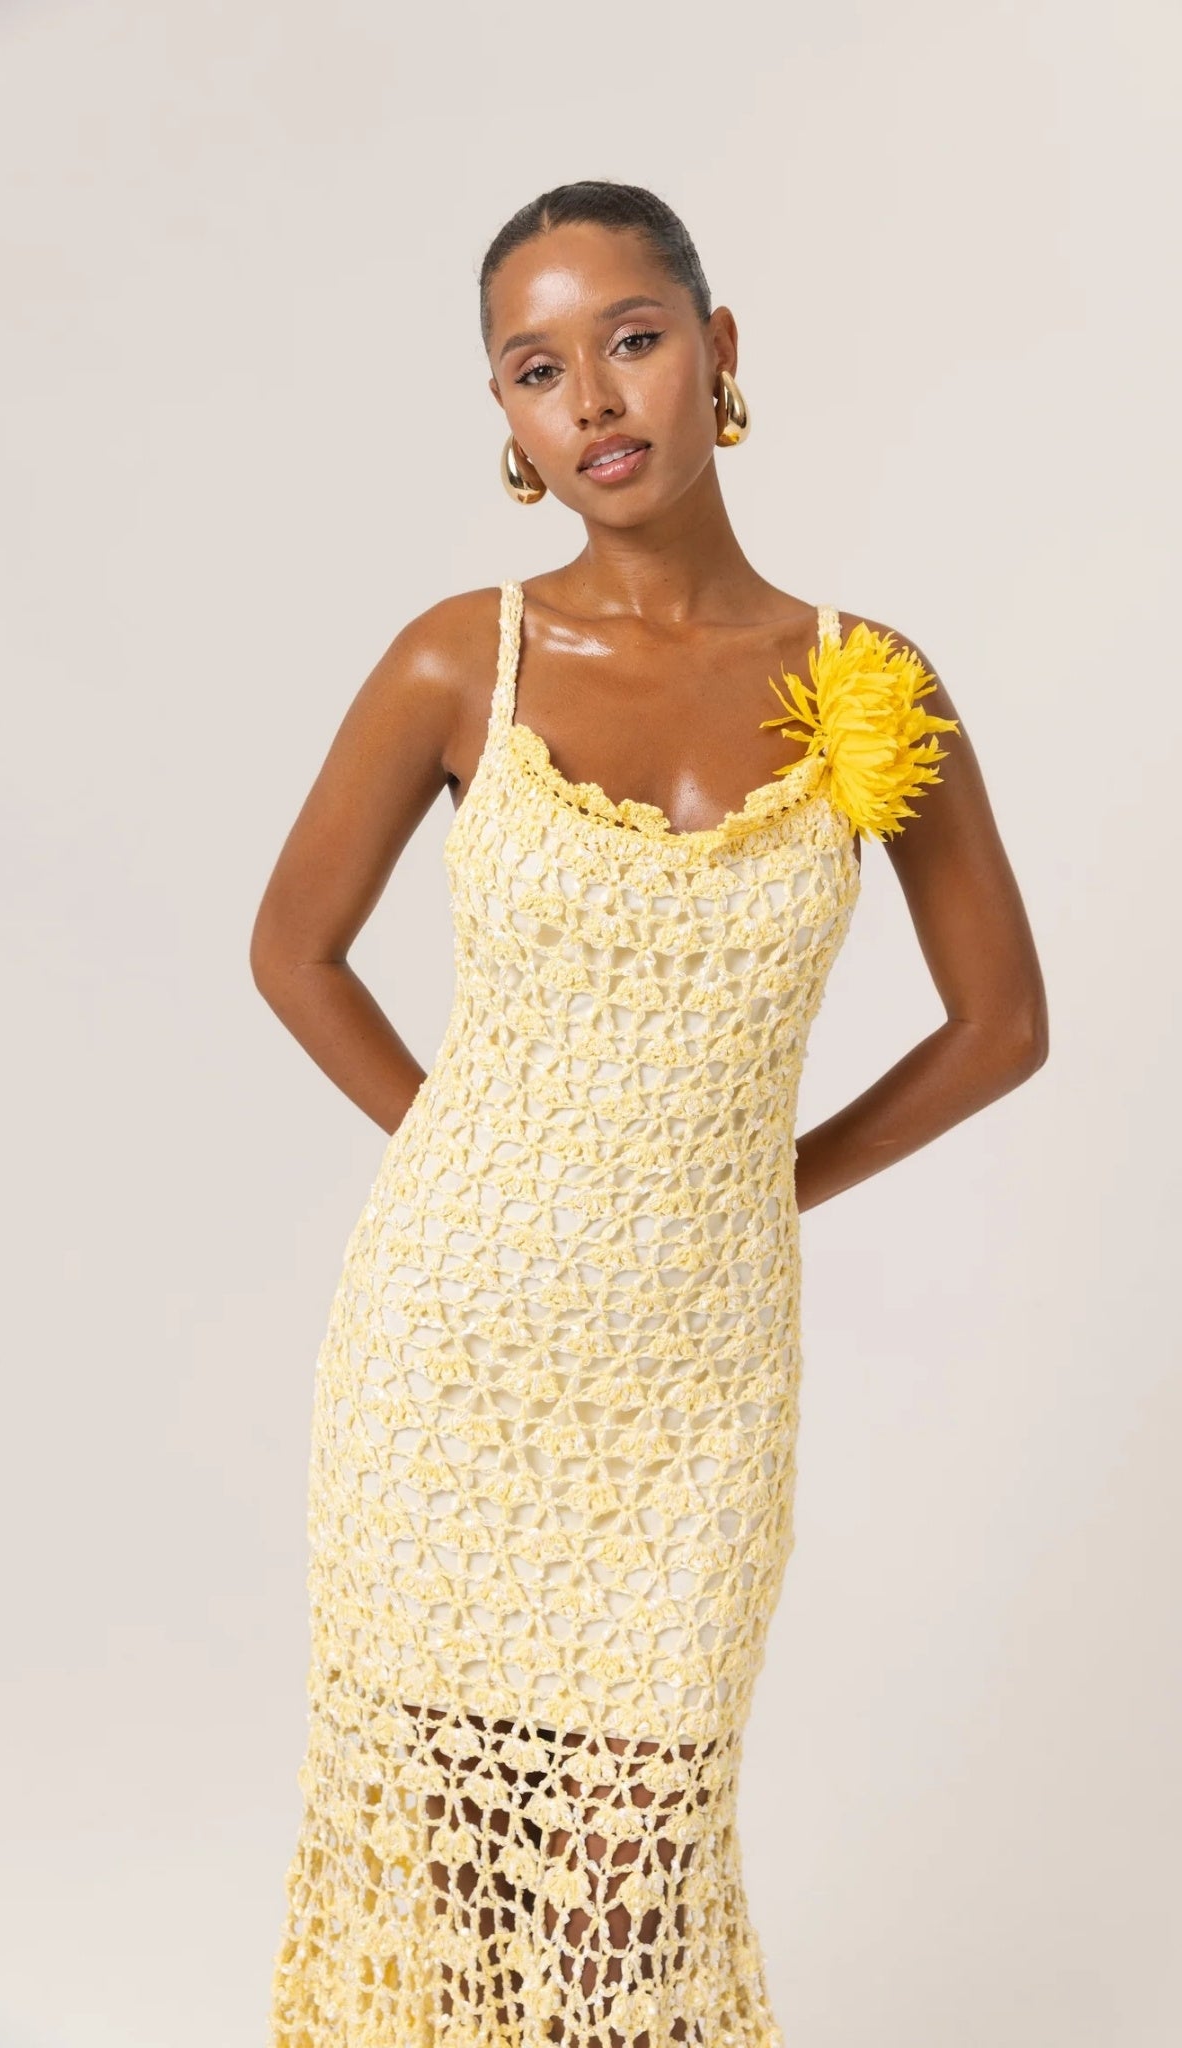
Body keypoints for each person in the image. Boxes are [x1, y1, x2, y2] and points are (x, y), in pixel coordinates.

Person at [250, 177, 1047, 2048]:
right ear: (507, 419)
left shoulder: (864, 680)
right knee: (457, 1892)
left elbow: (1000, 1025)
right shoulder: (461, 659)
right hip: (449, 1356)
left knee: (629, 1888)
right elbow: (293, 951)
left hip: (696, 1378)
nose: (595, 400)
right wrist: (477, 1163)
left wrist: (754, 1186)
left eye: (631, 340)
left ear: (718, 350)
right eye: (538, 370)